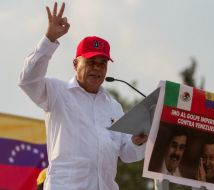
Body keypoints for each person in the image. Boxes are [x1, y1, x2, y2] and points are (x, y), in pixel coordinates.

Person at [18, 2, 147, 190]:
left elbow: (127, 154)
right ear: (75, 64)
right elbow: (27, 81)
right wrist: (49, 39)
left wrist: (137, 142)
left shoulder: (114, 107)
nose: (97, 68)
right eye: (91, 62)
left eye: (102, 63)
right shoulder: (57, 92)